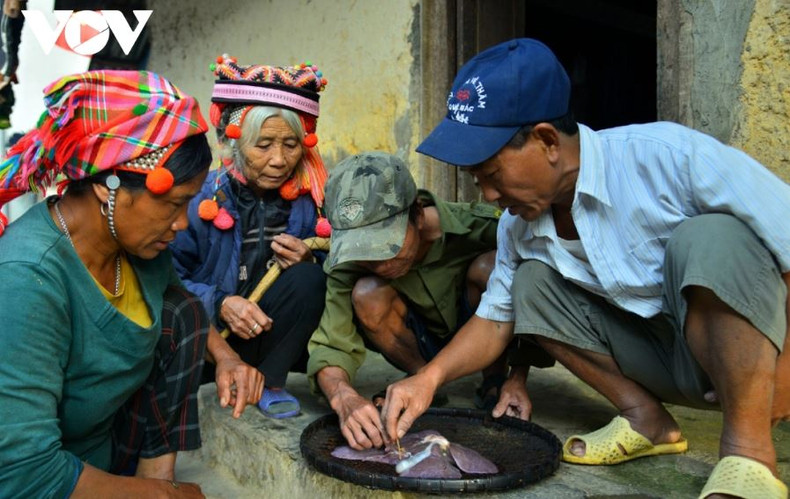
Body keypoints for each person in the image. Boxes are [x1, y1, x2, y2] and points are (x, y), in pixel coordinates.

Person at [381, 38, 790, 499]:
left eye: (492, 175)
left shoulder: (666, 156)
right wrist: (426, 378)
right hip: (662, 363)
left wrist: (787, 361)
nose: (488, 196)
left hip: (744, 366)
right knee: (530, 282)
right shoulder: (518, 229)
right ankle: (646, 420)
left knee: (714, 236)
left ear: (547, 140)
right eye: (478, 182)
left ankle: (747, 453)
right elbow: (493, 320)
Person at [0, 70, 263, 497]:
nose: (181, 223)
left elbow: (183, 308)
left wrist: (227, 357)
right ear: (109, 186)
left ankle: (152, 474)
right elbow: (24, 471)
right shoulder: (26, 280)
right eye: (173, 204)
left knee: (182, 311)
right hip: (49, 481)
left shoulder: (141, 248)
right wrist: (167, 497)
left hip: (106, 450)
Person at [308, 151, 516, 450]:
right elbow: (331, 345)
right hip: (420, 347)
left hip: (481, 337)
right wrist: (344, 397)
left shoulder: (482, 228)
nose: (379, 263)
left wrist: (518, 377)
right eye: (365, 251)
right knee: (367, 293)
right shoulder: (348, 264)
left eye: (386, 245)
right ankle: (422, 380)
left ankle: (495, 379)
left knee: (493, 266)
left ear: (418, 214)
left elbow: (534, 297)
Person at [171, 55, 331, 419]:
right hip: (211, 340)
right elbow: (167, 278)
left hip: (276, 340)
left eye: (291, 144)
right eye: (264, 145)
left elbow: (336, 271)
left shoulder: (313, 204)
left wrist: (310, 260)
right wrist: (221, 303)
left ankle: (270, 383)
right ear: (235, 143)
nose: (279, 159)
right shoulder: (201, 199)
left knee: (310, 278)